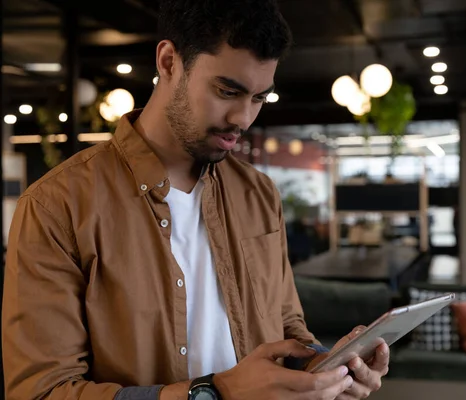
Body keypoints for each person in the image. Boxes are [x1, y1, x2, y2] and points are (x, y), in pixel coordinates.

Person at [1, 0, 390, 399]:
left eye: (259, 98)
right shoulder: (57, 206)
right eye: (227, 90)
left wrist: (329, 369)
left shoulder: (258, 194)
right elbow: (42, 391)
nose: (243, 117)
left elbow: (287, 326)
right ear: (169, 62)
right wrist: (213, 393)